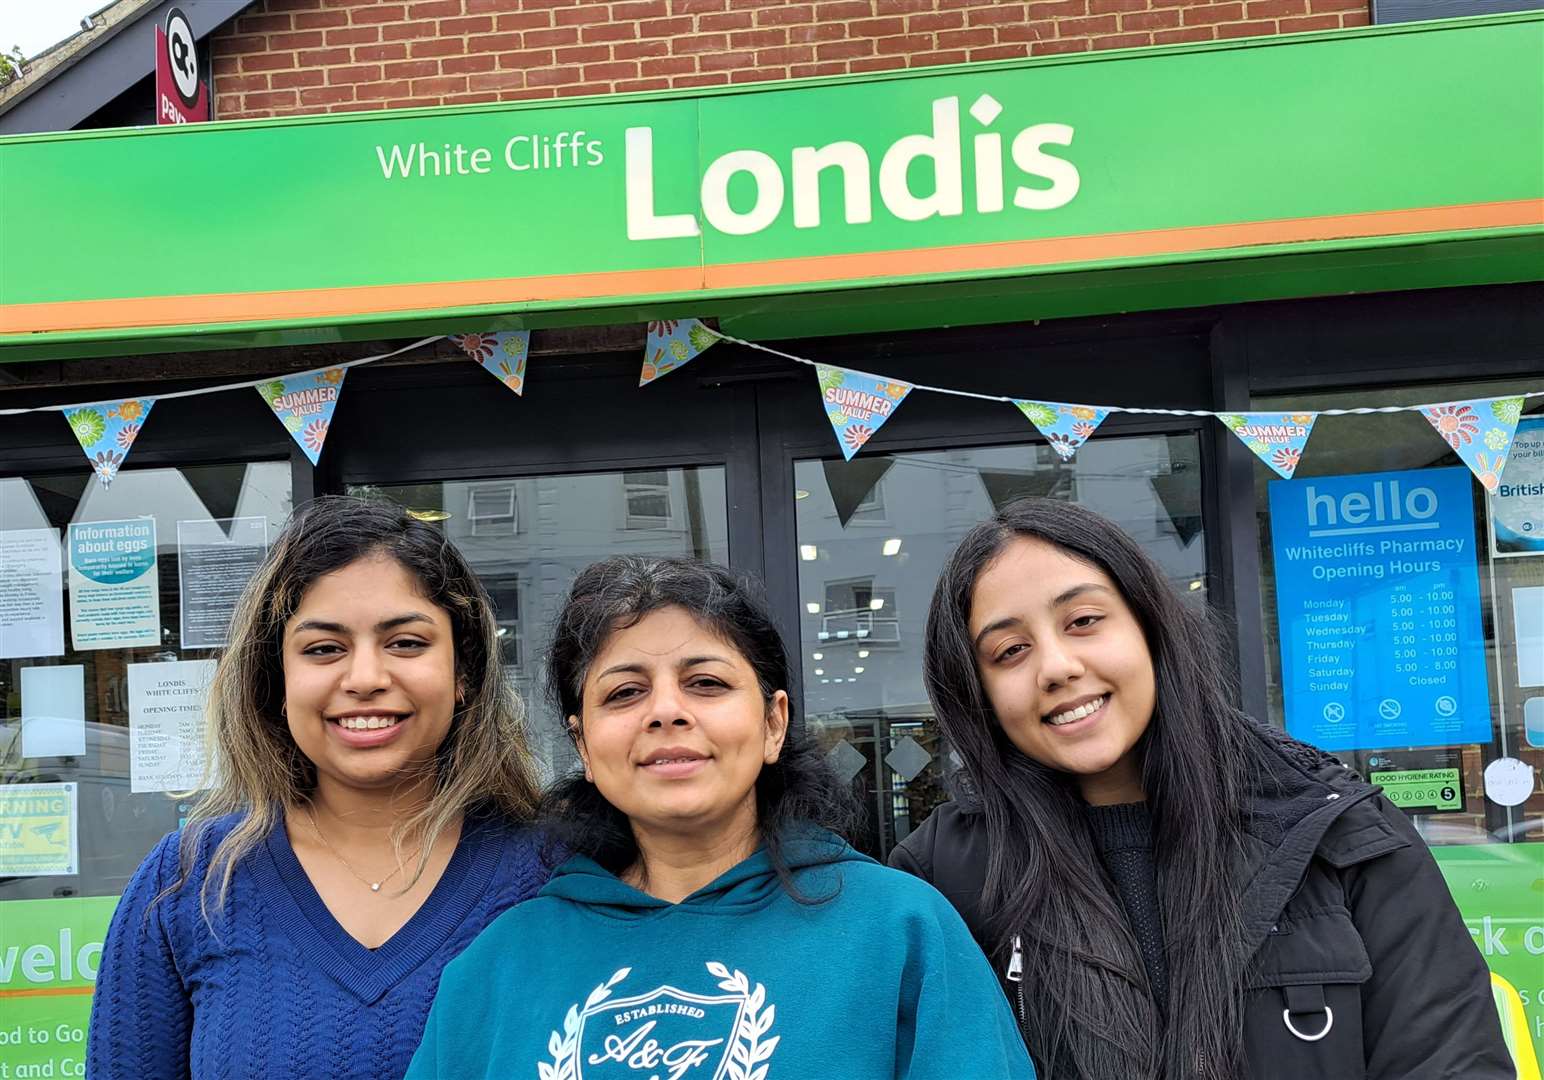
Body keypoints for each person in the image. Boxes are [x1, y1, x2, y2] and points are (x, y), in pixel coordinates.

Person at [890, 497, 1513, 1080]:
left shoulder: (1337, 830)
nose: (1055, 667)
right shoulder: (939, 878)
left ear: (1150, 627)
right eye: (1010, 651)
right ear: (978, 694)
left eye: (1083, 620)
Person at [407, 555, 1035, 1080]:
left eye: (706, 682)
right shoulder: (498, 965)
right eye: (624, 692)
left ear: (772, 723)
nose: (666, 711)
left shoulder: (900, 931)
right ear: (583, 747)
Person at [87, 496, 549, 1080]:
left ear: (464, 674)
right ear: (277, 681)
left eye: (406, 642)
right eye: (323, 648)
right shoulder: (188, 883)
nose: (364, 679)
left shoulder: (554, 870)